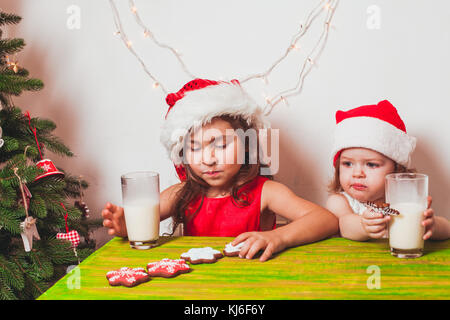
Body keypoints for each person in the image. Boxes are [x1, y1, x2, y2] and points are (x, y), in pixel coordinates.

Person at [102, 78, 338, 262]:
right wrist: (126, 226)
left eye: (221, 145)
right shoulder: (182, 193)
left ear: (247, 146)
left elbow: (326, 220)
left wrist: (278, 237)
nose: (209, 159)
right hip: (199, 287)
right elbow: (144, 222)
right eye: (194, 148)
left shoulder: (267, 192)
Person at [326, 100, 450, 241]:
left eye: (371, 165)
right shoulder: (340, 201)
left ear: (397, 169)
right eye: (347, 163)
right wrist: (363, 225)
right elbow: (345, 226)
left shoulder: (405, 199)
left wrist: (432, 225)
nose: (357, 173)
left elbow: (447, 229)